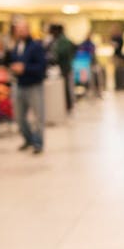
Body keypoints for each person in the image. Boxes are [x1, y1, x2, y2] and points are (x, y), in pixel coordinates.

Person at [10, 18, 47, 154]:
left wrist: (25, 68)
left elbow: (42, 66)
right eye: (18, 29)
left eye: (23, 29)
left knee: (38, 116)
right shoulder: (16, 47)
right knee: (19, 117)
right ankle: (28, 139)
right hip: (20, 85)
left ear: (28, 29)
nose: (20, 32)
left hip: (34, 85)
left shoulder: (36, 46)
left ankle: (38, 143)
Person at [47, 24, 75, 112]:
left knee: (65, 87)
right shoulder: (56, 40)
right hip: (60, 68)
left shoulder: (63, 41)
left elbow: (60, 53)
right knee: (62, 87)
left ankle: (68, 106)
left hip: (64, 68)